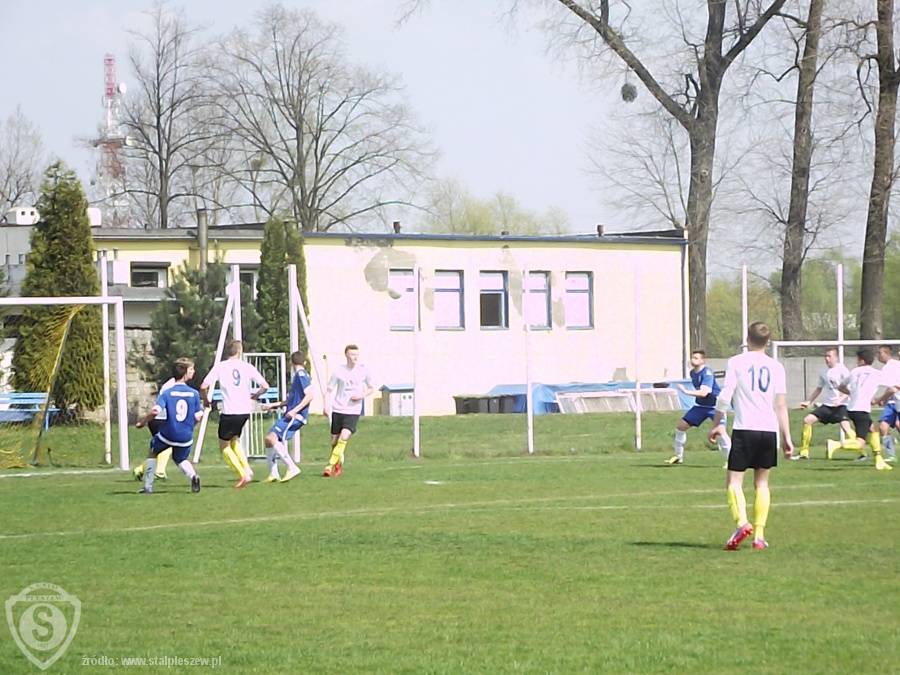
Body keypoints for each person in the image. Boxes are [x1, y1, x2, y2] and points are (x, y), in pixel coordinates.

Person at [710, 322, 793, 551]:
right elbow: (781, 404)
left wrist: (717, 424)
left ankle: (742, 523)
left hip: (745, 428)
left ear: (747, 339)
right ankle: (759, 536)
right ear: (768, 342)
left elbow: (725, 396)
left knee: (734, 481)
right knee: (762, 483)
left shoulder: (737, 362)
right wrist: (787, 436)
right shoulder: (776, 367)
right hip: (769, 431)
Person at [200, 339, 269, 488]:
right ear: (240, 351)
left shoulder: (220, 366)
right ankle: (247, 469)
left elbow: (203, 386)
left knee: (224, 445)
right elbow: (265, 386)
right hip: (244, 410)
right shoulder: (247, 366)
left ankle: (242, 474)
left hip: (230, 411)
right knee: (234, 440)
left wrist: (206, 400)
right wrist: (257, 395)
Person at [134, 359, 203, 494]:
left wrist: (142, 423)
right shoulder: (194, 393)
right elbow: (198, 416)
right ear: (185, 373)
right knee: (180, 459)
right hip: (186, 435)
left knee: (153, 451)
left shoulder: (167, 392)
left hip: (169, 432)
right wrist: (189, 426)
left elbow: (155, 411)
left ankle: (148, 486)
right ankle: (193, 476)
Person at [828, 349, 893, 470]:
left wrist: (853, 394)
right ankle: (835, 445)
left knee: (873, 430)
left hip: (852, 408)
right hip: (861, 410)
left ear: (862, 361)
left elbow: (841, 387)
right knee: (860, 443)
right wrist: (879, 399)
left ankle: (879, 460)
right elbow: (893, 388)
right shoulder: (877, 373)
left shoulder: (854, 371)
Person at [666, 350, 731, 465]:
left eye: (696, 358)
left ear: (702, 360)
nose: (693, 360)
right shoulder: (693, 373)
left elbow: (704, 393)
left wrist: (686, 391)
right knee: (681, 427)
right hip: (700, 406)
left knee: (721, 431)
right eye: (692, 358)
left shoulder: (707, 373)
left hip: (715, 406)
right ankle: (678, 457)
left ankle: (731, 461)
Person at [260, 350, 313, 483]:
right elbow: (291, 400)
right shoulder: (298, 377)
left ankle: (292, 467)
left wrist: (295, 411)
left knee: (271, 438)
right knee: (268, 440)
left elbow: (310, 396)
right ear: (304, 362)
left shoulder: (301, 375)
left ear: (290, 363)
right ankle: (273, 474)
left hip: (295, 416)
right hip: (291, 414)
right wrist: (272, 405)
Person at [322, 344, 374, 477]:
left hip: (353, 411)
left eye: (356, 354)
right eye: (352, 354)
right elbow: (329, 390)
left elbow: (371, 388)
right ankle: (337, 463)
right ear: (346, 355)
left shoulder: (363, 371)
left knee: (344, 436)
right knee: (334, 441)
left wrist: (361, 396)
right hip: (338, 408)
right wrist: (326, 405)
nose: (355, 357)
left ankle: (329, 466)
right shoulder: (338, 371)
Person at [793, 348, 854, 460]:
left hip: (841, 405)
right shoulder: (823, 371)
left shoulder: (843, 370)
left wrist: (840, 400)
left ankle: (862, 453)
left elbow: (850, 390)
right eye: (825, 356)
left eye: (829, 356)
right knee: (807, 420)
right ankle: (804, 452)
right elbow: (819, 388)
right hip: (827, 405)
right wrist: (809, 401)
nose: (827, 358)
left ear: (836, 357)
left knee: (847, 429)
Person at [873, 345, 900, 463]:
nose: (878, 355)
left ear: (887, 353)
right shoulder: (888, 367)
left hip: (897, 401)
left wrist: (879, 399)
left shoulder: (892, 366)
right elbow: (891, 387)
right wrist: (884, 399)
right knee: (883, 426)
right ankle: (891, 455)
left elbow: (893, 388)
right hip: (893, 402)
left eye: (880, 353)